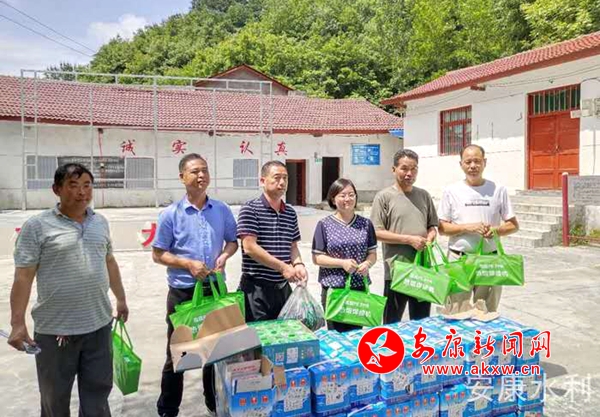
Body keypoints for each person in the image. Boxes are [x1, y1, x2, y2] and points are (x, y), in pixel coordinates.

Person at [8, 163, 129, 417]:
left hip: (98, 326)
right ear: (57, 189)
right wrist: (17, 323)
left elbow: (109, 262)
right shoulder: (37, 226)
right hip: (56, 331)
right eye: (73, 185)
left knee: (97, 399)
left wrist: (120, 299)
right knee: (55, 401)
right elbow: (23, 277)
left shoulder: (100, 222)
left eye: (87, 185)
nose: (82, 192)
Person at [152, 153, 238, 417]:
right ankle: (168, 409)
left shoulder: (221, 210)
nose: (201, 176)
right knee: (178, 353)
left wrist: (224, 256)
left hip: (214, 291)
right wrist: (187, 264)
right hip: (183, 293)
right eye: (194, 171)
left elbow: (232, 241)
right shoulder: (171, 214)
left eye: (204, 170)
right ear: (182, 177)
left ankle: (213, 404)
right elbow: (158, 254)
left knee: (215, 352)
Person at [438, 144, 519, 313]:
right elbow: (443, 228)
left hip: (489, 261)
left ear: (485, 162)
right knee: (456, 311)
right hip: (459, 260)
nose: (473, 166)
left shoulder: (498, 190)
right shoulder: (451, 191)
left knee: (486, 312)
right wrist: (468, 227)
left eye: (477, 161)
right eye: (468, 162)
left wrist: (495, 230)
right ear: (461, 164)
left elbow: (513, 225)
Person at [371, 149, 438, 323]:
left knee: (422, 322)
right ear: (394, 169)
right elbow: (376, 232)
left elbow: (432, 226)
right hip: (396, 270)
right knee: (392, 323)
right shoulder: (384, 197)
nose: (409, 173)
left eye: (414, 169)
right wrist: (408, 239)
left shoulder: (424, 195)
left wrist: (431, 236)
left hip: (422, 271)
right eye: (404, 168)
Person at [237, 160, 307, 322]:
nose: (282, 182)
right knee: (258, 335)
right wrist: (283, 267)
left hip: (283, 288)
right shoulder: (250, 209)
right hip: (256, 289)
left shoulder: (290, 212)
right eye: (277, 177)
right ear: (263, 181)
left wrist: (298, 264)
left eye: (285, 178)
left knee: (285, 333)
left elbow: (293, 246)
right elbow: (250, 247)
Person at [312, 178, 377, 332]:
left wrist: (367, 264)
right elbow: (317, 258)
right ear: (333, 199)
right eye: (342, 195)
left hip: (358, 287)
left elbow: (372, 253)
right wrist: (342, 263)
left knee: (356, 334)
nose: (347, 199)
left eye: (351, 195)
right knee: (336, 336)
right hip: (334, 289)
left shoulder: (366, 224)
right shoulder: (324, 225)